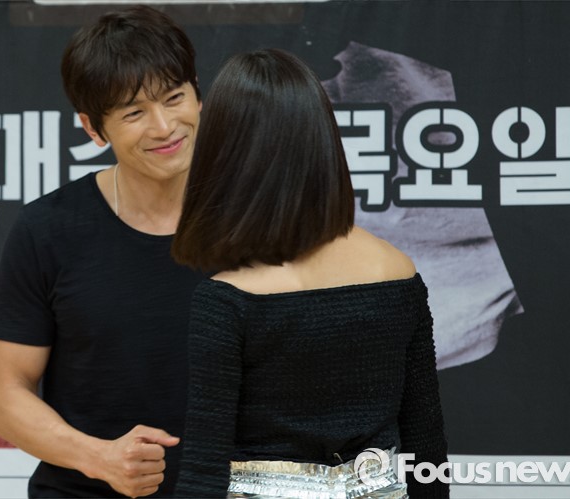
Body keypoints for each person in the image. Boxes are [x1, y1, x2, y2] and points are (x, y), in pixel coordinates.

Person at [171, 49, 449, 498]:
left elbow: (203, 472)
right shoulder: (397, 270)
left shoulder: (228, 300)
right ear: (323, 140)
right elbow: (427, 450)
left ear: (224, 154)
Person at [0, 6, 204, 498]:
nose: (164, 126)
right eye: (134, 113)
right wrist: (99, 458)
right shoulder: (48, 230)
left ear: (197, 93)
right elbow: (4, 396)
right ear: (92, 127)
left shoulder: (256, 221)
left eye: (175, 98)